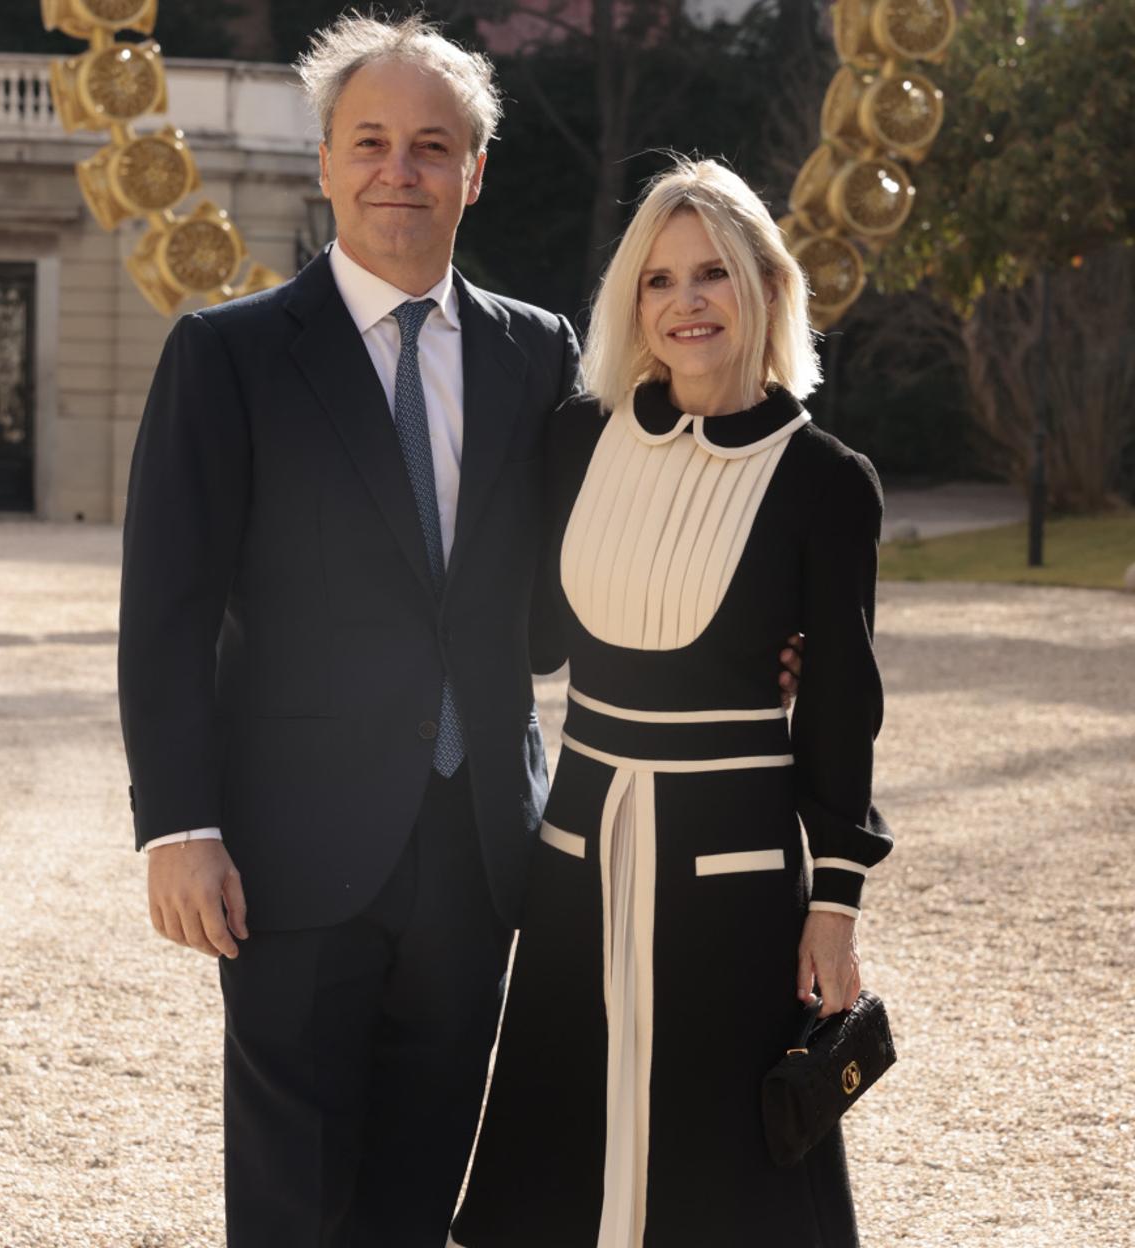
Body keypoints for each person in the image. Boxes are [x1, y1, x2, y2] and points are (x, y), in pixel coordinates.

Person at [119, 18, 803, 1248]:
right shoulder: (227, 356)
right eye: (371, 142)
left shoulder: (540, 355)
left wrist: (750, 641)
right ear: (326, 162)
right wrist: (179, 828)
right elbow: (163, 611)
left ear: (474, 172)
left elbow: (588, 584)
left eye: (432, 146)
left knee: (423, 1188)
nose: (401, 170)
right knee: (291, 1201)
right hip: (288, 859)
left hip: (481, 850)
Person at [450, 158, 893, 1248]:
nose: (685, 302)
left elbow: (843, 705)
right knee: (560, 1143)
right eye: (658, 279)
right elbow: (538, 639)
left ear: (767, 287)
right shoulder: (577, 439)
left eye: (713, 273)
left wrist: (835, 903)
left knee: (725, 1163)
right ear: (631, 301)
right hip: (578, 850)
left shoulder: (826, 480)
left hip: (734, 868)